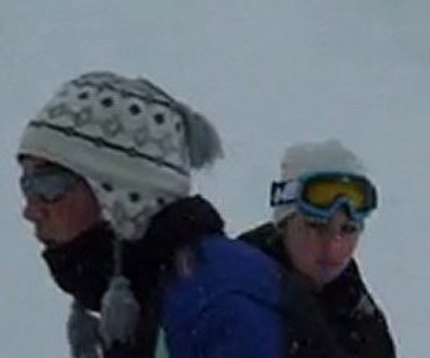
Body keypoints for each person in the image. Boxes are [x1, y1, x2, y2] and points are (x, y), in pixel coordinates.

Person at [16, 71, 289, 358]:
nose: (30, 210)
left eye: (48, 185)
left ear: (122, 194)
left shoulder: (219, 303)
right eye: (26, 183)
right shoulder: (155, 289)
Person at [239, 141, 395, 358]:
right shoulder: (230, 293)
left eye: (348, 230)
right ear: (284, 225)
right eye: (316, 227)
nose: (333, 246)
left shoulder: (359, 317)